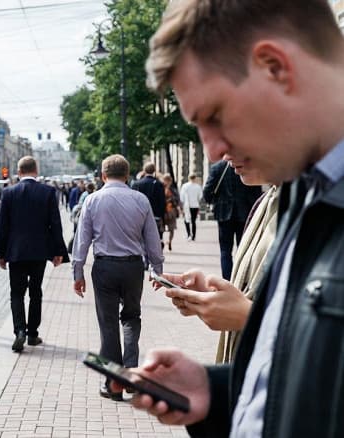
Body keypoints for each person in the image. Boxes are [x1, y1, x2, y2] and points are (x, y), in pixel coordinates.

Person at [126, 1, 344, 436]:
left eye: (214, 116)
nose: (211, 151)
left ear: (274, 67)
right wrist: (216, 392)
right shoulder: (304, 188)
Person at [71, 155, 164, 401]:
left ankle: (113, 382)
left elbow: (82, 241)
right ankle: (131, 376)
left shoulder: (92, 200)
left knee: (108, 324)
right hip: (133, 267)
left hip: (104, 268)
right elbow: (153, 240)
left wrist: (77, 272)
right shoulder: (140, 199)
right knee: (132, 317)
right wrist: (157, 269)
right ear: (127, 175)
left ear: (103, 176)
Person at [164, 184, 279, 363]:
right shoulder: (266, 201)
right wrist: (214, 295)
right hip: (246, 373)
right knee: (227, 253)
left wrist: (247, 316)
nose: (221, 156)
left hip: (225, 213)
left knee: (226, 252)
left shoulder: (316, 207)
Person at [0, 156, 68, 352]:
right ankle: (32, 334)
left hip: (15, 252)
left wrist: (0, 254)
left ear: (18, 172)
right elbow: (55, 224)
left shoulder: (9, 192)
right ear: (36, 171)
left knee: (16, 293)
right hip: (39, 252)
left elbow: (2, 226)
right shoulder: (47, 192)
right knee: (36, 292)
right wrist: (58, 251)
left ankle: (19, 330)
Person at [203, 160, 263, 280]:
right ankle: (241, 278)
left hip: (224, 214)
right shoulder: (247, 166)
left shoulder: (218, 167)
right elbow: (256, 191)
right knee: (244, 248)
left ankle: (227, 280)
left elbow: (207, 191)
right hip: (244, 213)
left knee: (225, 250)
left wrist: (214, 202)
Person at [179, 174, 203, 240]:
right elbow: (200, 196)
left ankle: (188, 234)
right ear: (195, 178)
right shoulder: (198, 186)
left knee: (186, 220)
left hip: (187, 205)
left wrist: (183, 202)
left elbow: (182, 196)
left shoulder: (185, 186)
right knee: (193, 221)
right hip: (195, 205)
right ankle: (194, 236)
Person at [162, 174, 181, 251]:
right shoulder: (173, 189)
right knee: (171, 229)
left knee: (163, 229)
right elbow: (177, 200)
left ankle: (165, 241)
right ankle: (168, 241)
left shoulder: (161, 188)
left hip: (164, 211)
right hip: (170, 211)